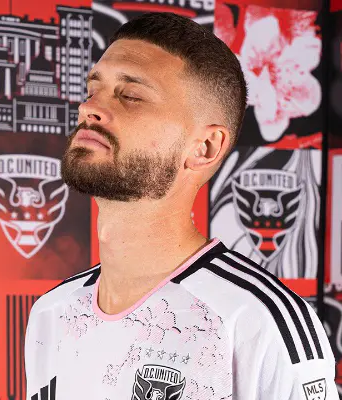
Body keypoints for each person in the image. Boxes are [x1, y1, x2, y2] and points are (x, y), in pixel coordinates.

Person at [25, 12, 337, 400]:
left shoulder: (256, 321)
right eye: (92, 91)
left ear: (204, 148)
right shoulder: (51, 314)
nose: (91, 108)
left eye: (130, 96)